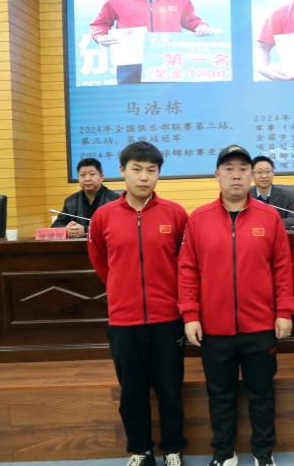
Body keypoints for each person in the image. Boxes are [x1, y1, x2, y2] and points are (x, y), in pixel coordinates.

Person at [178, 145, 294, 466]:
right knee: (220, 395)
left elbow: (282, 268)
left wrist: (284, 311)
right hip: (214, 329)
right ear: (217, 174)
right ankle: (224, 453)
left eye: (243, 168)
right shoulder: (198, 219)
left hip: (260, 327)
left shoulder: (269, 217)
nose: (236, 174)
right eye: (229, 168)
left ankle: (263, 453)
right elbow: (187, 270)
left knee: (262, 395)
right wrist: (190, 315)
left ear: (252, 175)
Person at [87, 142, 189, 466]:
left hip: (167, 319)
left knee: (170, 389)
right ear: (122, 171)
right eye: (137, 169)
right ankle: (140, 450)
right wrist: (123, 288)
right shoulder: (103, 216)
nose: (144, 177)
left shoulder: (175, 214)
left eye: (151, 170)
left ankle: (172, 449)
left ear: (158, 173)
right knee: (132, 392)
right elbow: (101, 262)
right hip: (124, 320)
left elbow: (185, 263)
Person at [90, 0, 212, 84]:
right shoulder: (117, 0)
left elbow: (190, 20)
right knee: (132, 95)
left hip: (169, 59)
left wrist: (200, 27)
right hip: (130, 61)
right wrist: (100, 37)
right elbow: (100, 24)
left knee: (170, 95)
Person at [51, 158, 120, 237]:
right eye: (82, 175)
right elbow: (56, 226)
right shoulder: (71, 202)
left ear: (101, 177)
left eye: (92, 174)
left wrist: (86, 230)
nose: (87, 179)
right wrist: (67, 229)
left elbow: (118, 227)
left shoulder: (115, 200)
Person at [250, 156, 294, 230]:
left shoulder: (287, 196)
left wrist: (272, 223)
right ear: (252, 175)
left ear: (273, 174)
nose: (264, 176)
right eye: (259, 172)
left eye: (268, 171)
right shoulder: (245, 197)